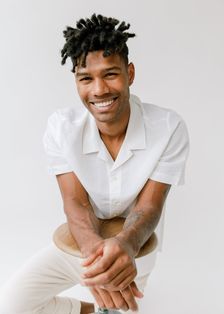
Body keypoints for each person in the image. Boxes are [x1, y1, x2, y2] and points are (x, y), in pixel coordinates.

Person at [0, 13, 189, 314]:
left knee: (119, 305)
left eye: (110, 74)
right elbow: (75, 203)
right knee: (12, 304)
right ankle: (90, 309)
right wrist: (93, 258)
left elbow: (148, 208)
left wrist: (125, 246)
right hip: (83, 243)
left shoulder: (168, 127)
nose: (99, 90)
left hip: (135, 250)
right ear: (76, 80)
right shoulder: (61, 128)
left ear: (130, 73)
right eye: (86, 78)